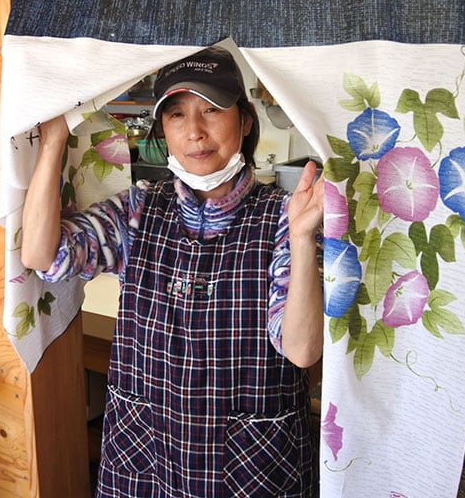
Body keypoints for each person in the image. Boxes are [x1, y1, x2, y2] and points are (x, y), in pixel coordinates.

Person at [21, 46, 324, 497]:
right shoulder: (138, 210)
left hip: (252, 467)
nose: (195, 132)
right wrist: (53, 142)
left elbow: (302, 350)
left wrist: (301, 239)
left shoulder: (285, 218)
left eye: (211, 110)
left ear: (244, 121)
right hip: (147, 457)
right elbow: (44, 256)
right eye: (177, 115)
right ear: (162, 128)